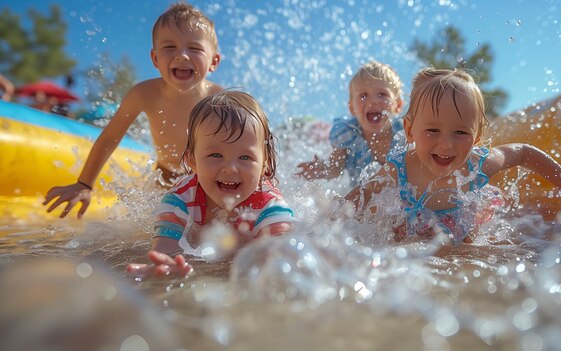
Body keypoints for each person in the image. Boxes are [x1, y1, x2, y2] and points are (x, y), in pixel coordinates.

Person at [344, 67, 561, 244]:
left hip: (460, 230)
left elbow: (522, 152)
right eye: (433, 130)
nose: (446, 144)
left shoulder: (479, 164)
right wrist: (326, 225)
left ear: (476, 137)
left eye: (460, 133)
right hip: (411, 228)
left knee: (478, 248)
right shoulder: (400, 167)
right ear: (410, 130)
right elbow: (361, 195)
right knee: (397, 240)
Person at [43, 2, 222, 218]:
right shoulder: (143, 94)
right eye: (169, 47)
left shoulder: (219, 100)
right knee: (153, 229)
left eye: (194, 48)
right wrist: (84, 184)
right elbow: (110, 137)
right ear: (155, 58)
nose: (182, 55)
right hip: (165, 177)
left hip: (208, 177)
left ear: (213, 61)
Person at [127, 90, 295, 278]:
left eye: (245, 157)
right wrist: (168, 265)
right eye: (215, 155)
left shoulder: (270, 208)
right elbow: (165, 252)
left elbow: (281, 264)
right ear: (192, 160)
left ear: (265, 165)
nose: (230, 168)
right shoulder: (179, 200)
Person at [296, 61, 405, 187]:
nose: (373, 101)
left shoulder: (404, 134)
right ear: (352, 108)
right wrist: (321, 169)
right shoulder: (347, 134)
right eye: (363, 95)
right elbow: (335, 169)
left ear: (398, 105)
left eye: (382, 94)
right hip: (361, 198)